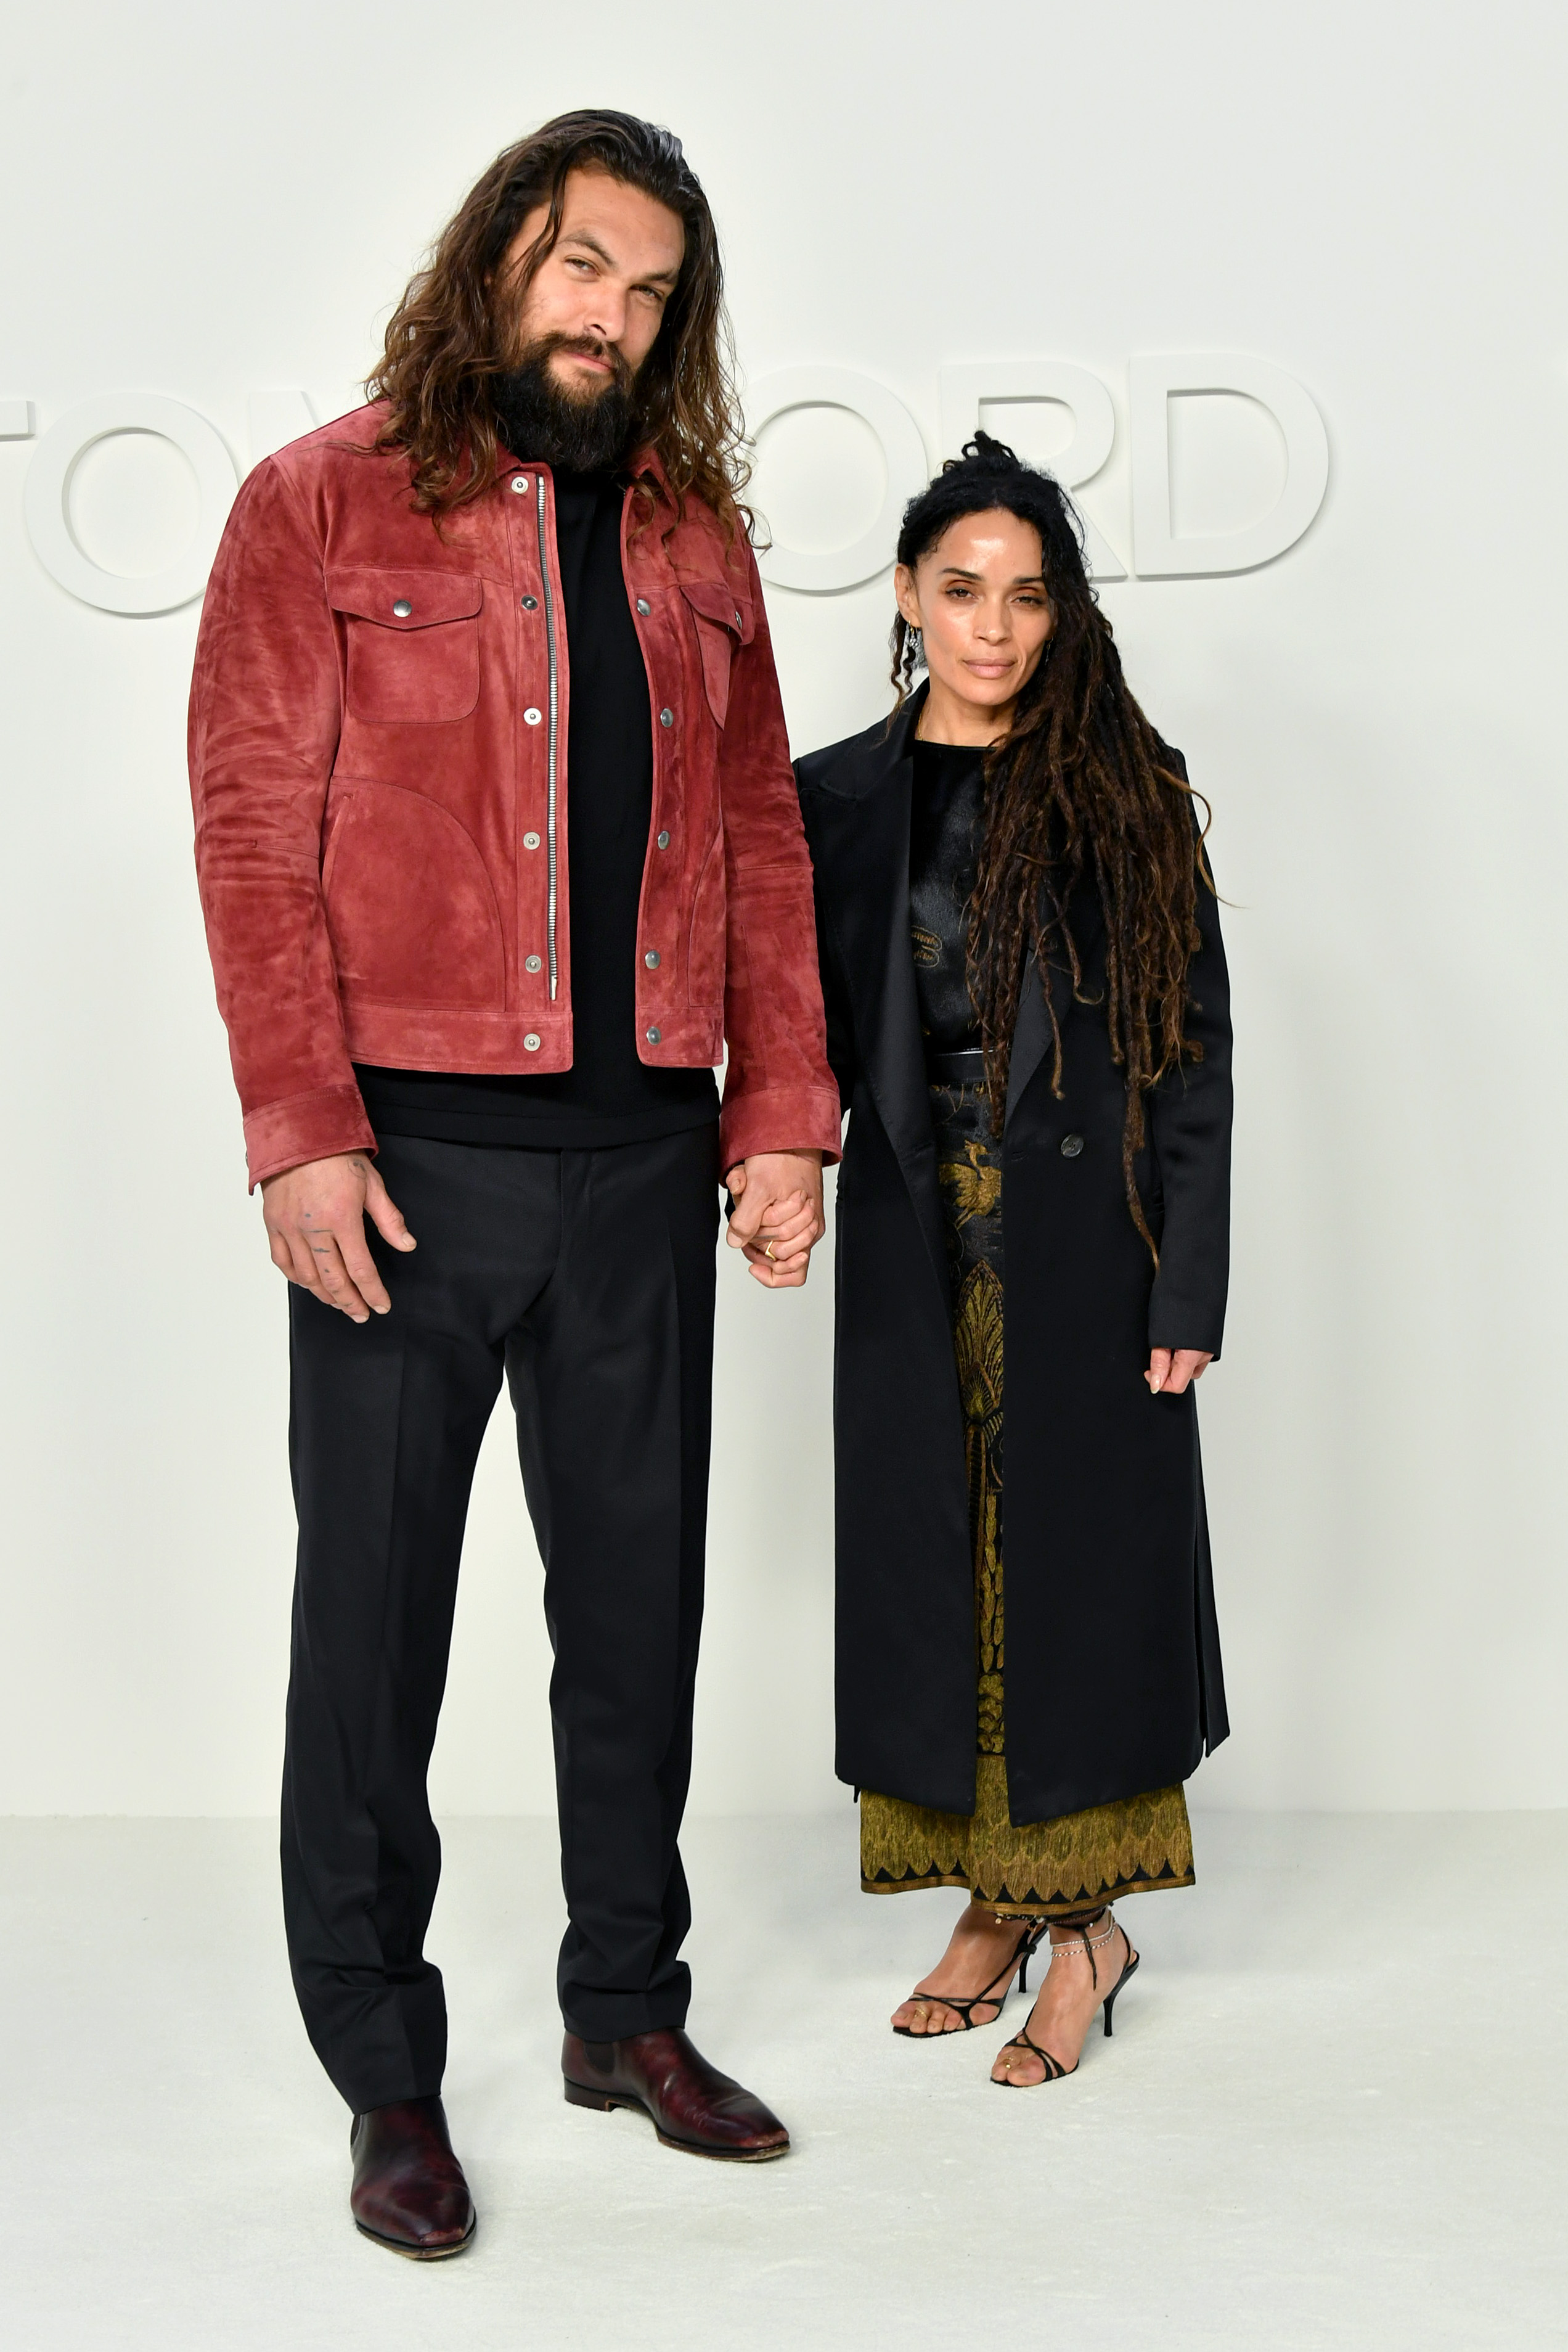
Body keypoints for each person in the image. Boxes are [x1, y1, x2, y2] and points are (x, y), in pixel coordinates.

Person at [189, 111, 838, 2254]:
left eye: (652, 293)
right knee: (370, 1634)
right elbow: (255, 835)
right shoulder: (319, 503)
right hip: (407, 1170)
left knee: (633, 1617)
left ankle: (621, 2013)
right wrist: (298, 1129)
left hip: (647, 1163)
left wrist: (777, 1116)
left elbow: (755, 840)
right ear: (498, 262)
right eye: (583, 269)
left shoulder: (692, 542)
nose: (612, 318)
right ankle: (385, 2068)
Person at [793, 435, 1231, 2089]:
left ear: (1064, 616)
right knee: (942, 1572)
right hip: (914, 1248)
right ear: (909, 595)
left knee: (1077, 1593)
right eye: (962, 590)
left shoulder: (1125, 787)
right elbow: (794, 1029)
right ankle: (994, 1902)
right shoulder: (833, 799)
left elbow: (1193, 1055)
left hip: (1089, 1257)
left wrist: (1187, 1285)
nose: (993, 626)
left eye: (1027, 596)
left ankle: (1090, 1933)